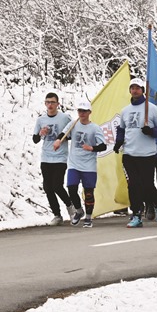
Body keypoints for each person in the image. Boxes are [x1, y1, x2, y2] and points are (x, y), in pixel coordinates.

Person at [114, 78, 157, 228]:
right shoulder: (125, 110)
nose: (135, 90)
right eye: (132, 88)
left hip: (147, 154)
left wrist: (151, 131)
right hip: (129, 154)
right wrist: (118, 142)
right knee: (133, 185)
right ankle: (136, 214)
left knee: (147, 185)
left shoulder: (151, 108)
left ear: (142, 90)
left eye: (138, 88)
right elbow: (121, 129)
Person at [53, 101, 106, 228]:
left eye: (84, 111)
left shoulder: (95, 128)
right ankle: (78, 210)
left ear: (89, 112)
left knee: (88, 192)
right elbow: (63, 133)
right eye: (80, 111)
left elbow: (103, 146)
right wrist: (58, 140)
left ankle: (88, 217)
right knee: (71, 188)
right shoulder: (73, 124)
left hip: (89, 165)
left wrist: (91, 148)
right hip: (74, 163)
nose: (82, 113)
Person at [33, 92, 76, 226]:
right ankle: (57, 215)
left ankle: (71, 207)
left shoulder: (65, 118)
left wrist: (61, 138)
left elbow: (72, 134)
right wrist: (41, 133)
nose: (50, 105)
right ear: (45, 104)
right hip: (46, 156)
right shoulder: (41, 120)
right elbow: (35, 139)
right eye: (48, 102)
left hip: (60, 157)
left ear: (58, 104)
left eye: (53, 102)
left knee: (57, 185)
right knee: (48, 187)